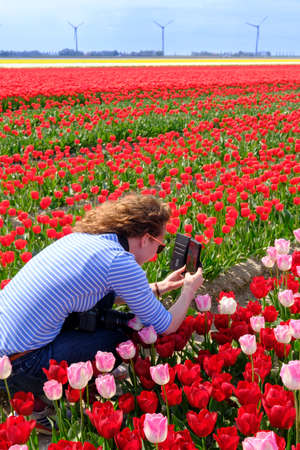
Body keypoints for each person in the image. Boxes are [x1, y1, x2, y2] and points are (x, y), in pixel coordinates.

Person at [0, 193, 203, 398]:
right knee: (120, 339)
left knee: (104, 304)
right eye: (159, 247)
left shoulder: (82, 240)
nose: (156, 252)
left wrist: (162, 286)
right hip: (18, 364)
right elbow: (167, 326)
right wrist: (189, 290)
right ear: (145, 239)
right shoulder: (118, 261)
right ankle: (37, 398)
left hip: (6, 347)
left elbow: (91, 295)